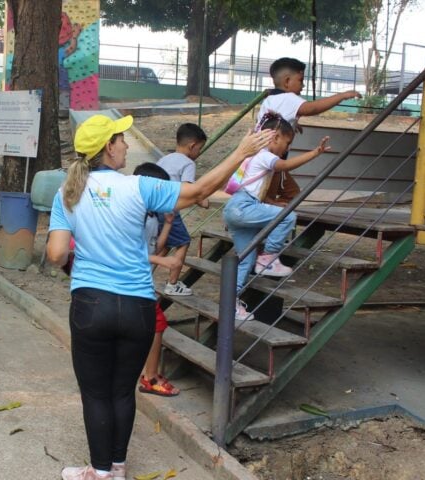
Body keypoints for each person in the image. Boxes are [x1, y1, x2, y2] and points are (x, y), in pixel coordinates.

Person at [44, 114, 272, 480]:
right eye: (121, 139)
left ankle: (100, 472)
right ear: (108, 147)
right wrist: (241, 152)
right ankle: (116, 468)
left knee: (95, 393)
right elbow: (198, 192)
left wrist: (83, 259)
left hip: (91, 305)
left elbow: (56, 254)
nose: (125, 146)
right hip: (138, 306)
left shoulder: (66, 194)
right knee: (122, 391)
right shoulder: (139, 186)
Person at [224, 113, 330, 321]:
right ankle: (268, 258)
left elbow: (256, 188)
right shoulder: (264, 155)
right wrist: (315, 153)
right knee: (287, 216)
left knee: (245, 260)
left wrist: (271, 203)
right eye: (287, 142)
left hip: (234, 209)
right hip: (244, 206)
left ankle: (231, 303)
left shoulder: (252, 155)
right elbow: (285, 166)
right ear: (274, 138)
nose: (287, 148)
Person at [258, 57, 361, 205]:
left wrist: (292, 125)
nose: (303, 85)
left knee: (292, 195)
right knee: (273, 200)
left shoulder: (271, 100)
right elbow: (311, 108)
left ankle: (276, 215)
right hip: (272, 163)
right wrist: (342, 96)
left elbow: (272, 122)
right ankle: (269, 217)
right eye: (300, 80)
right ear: (287, 81)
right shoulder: (288, 98)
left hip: (271, 162)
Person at [131, 162, 181, 398]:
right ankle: (150, 377)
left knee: (154, 324)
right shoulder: (134, 215)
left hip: (142, 282)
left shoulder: (152, 216)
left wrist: (169, 223)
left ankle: (147, 373)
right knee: (157, 323)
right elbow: (127, 251)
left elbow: (156, 246)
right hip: (131, 281)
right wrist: (162, 262)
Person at [156, 122, 209, 297]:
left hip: (154, 207)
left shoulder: (164, 159)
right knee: (183, 241)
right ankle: (172, 283)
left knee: (163, 246)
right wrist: (202, 201)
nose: (199, 153)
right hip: (169, 208)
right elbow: (188, 190)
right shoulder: (188, 163)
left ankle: (143, 275)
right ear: (192, 145)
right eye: (199, 148)